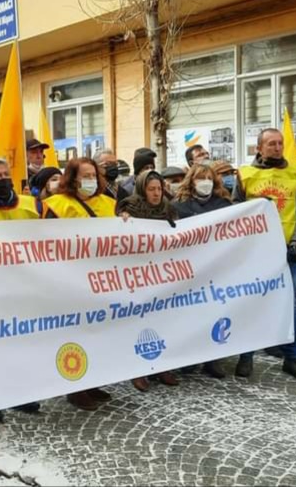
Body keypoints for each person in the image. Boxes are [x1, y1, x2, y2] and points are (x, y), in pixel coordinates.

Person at [233, 128, 296, 381]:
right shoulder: (245, 175)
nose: (277, 147)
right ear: (259, 148)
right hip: (255, 251)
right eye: (271, 144)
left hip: (288, 252)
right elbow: (234, 210)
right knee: (251, 303)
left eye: (280, 143)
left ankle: (293, 358)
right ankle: (246, 357)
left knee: (288, 305)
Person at [44, 158, 115, 410]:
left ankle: (92, 381)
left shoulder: (108, 203)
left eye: (94, 175)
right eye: (85, 175)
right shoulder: (57, 206)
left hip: (101, 281)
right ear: (72, 178)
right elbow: (45, 244)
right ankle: (75, 387)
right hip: (70, 281)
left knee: (96, 332)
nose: (91, 180)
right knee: (75, 334)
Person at [0, 158, 41, 423]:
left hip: (24, 286)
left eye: (6, 174)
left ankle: (21, 393)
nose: (4, 178)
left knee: (23, 341)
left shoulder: (31, 205)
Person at [117, 170, 180, 390]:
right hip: (137, 275)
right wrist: (124, 221)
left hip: (162, 272)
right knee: (140, 322)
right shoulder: (130, 207)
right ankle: (138, 370)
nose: (156, 193)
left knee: (163, 320)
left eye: (159, 189)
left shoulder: (168, 208)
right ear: (143, 189)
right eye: (151, 189)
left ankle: (163, 366)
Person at [171, 164, 231, 379]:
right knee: (190, 313)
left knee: (214, 312)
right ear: (191, 181)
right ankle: (189, 357)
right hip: (190, 269)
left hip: (216, 267)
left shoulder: (224, 204)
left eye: (208, 178)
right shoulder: (179, 205)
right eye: (200, 178)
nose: (205, 182)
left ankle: (212, 359)